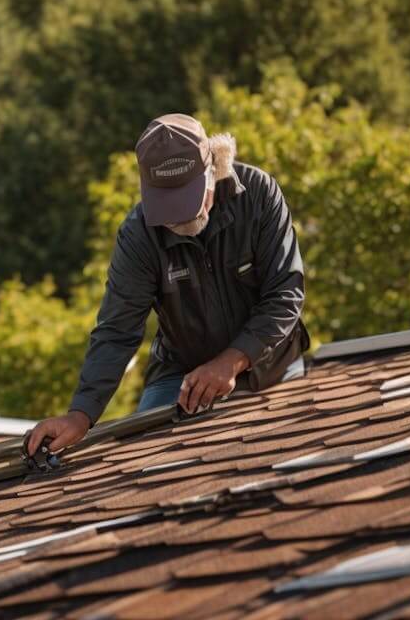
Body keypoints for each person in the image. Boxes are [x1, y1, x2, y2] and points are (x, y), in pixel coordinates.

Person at [27, 114, 308, 456]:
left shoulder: (258, 194)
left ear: (212, 171)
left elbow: (286, 294)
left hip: (271, 362)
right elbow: (117, 330)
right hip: (182, 372)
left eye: (188, 206)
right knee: (144, 460)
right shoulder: (137, 234)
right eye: (168, 209)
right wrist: (81, 414)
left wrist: (232, 361)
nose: (179, 220)